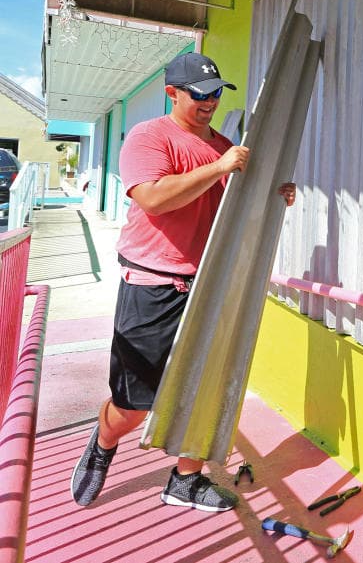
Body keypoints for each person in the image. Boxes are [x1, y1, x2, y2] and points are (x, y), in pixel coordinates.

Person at [70, 51, 296, 512]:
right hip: (154, 283)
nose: (210, 102)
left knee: (204, 389)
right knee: (133, 403)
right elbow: (152, 199)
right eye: (200, 94)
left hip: (210, 282)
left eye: (216, 93)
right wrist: (219, 168)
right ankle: (103, 443)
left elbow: (234, 207)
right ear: (171, 93)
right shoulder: (150, 136)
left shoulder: (222, 146)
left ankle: (185, 481)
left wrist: (275, 196)